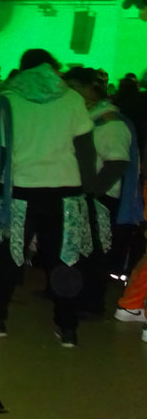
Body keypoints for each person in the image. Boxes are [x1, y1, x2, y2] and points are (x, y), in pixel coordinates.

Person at [0, 49, 96, 348]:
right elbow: (85, 148)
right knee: (64, 259)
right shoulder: (72, 99)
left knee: (8, 257)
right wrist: (87, 189)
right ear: (52, 67)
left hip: (20, 192)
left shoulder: (8, 100)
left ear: (23, 69)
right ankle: (67, 328)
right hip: (66, 191)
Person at [64, 67, 144, 316]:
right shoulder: (88, 118)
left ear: (91, 90)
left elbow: (117, 163)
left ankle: (92, 305)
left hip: (101, 198)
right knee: (82, 251)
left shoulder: (111, 123)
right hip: (89, 195)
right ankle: (77, 298)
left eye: (74, 87)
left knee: (95, 254)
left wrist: (92, 193)